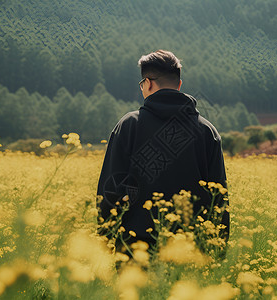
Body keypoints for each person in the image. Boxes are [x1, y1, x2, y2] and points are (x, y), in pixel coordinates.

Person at [96, 50, 229, 258]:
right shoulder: (206, 131)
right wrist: (217, 252)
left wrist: (104, 240)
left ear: (148, 83)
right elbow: (219, 199)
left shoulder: (129, 126)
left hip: (135, 253)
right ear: (179, 85)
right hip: (191, 257)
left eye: (142, 85)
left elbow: (110, 190)